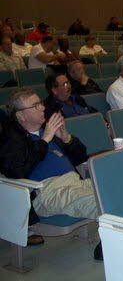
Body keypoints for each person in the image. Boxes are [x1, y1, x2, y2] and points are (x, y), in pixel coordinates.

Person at [0, 88, 101, 258]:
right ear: (20, 116)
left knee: (117, 190)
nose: (42, 108)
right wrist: (45, 140)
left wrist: (66, 138)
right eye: (35, 106)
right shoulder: (11, 139)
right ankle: (109, 246)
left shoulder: (47, 130)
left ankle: (112, 243)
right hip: (48, 192)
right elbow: (16, 171)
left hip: (75, 182)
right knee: (102, 202)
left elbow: (81, 156)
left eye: (40, 103)